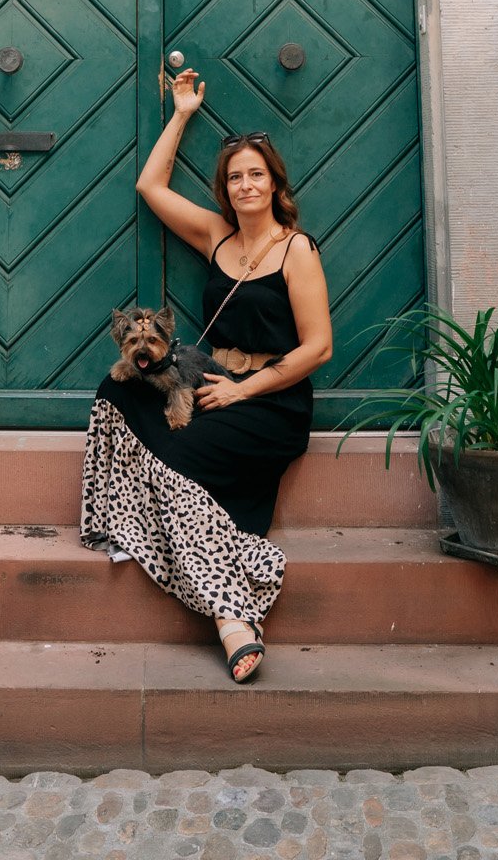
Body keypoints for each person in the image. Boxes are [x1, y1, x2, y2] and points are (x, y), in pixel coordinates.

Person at [79, 67, 332, 682]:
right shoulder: (217, 234)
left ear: (274, 184)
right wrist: (183, 112)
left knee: (172, 458)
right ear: (225, 189)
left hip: (272, 402)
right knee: (114, 391)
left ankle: (231, 615)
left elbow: (319, 348)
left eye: (257, 175)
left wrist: (245, 388)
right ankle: (122, 518)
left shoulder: (296, 249)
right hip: (212, 380)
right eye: (236, 177)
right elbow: (150, 185)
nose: (246, 185)